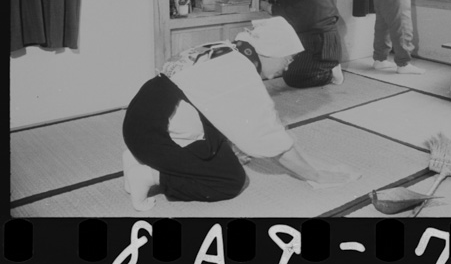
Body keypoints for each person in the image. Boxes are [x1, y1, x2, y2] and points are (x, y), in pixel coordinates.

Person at [122, 16, 359, 211]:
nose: (289, 65)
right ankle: (150, 175)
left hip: (143, 119)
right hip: (153, 134)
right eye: (288, 58)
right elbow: (269, 138)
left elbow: (219, 108)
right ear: (271, 51)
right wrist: (316, 175)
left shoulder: (228, 50)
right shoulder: (240, 71)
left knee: (227, 158)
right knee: (229, 180)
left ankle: (135, 157)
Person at [263, 0, 344, 88]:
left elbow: (282, 12)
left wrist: (262, 5)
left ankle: (329, 73)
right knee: (291, 69)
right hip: (326, 45)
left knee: (292, 77)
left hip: (322, 48)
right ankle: (327, 66)